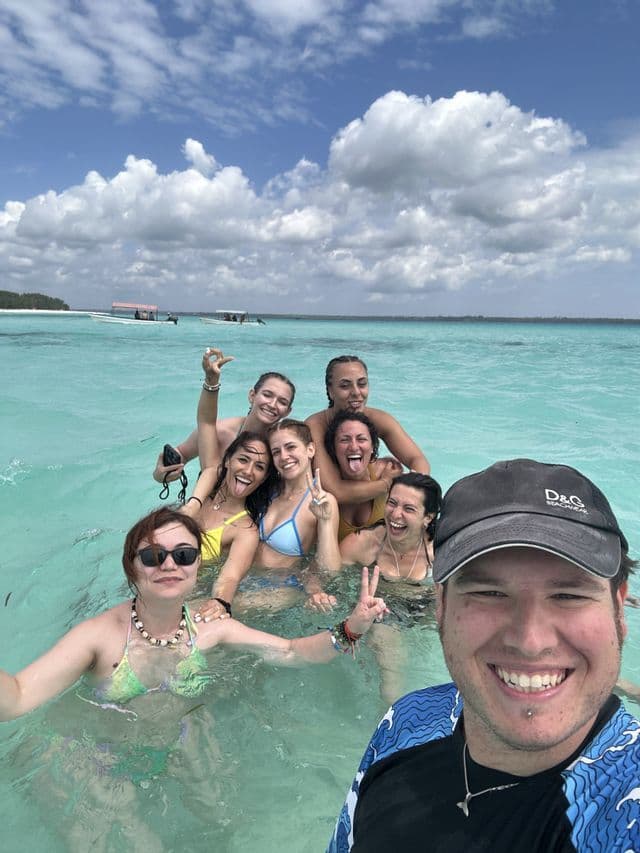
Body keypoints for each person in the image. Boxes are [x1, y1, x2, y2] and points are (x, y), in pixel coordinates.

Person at [329, 458, 640, 852]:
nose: (530, 640)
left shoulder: (625, 802)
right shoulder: (408, 721)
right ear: (441, 604)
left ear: (619, 608)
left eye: (569, 595)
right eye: (490, 593)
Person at [305, 355, 430, 512]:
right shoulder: (315, 426)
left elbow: (418, 460)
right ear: (331, 391)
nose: (356, 392)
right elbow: (336, 490)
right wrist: (388, 483)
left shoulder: (379, 419)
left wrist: (410, 489)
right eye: (345, 386)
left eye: (362, 384)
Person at [153, 369, 295, 485]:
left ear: (287, 411)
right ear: (252, 395)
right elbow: (182, 454)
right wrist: (161, 474)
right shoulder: (219, 431)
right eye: (267, 395)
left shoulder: (280, 446)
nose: (272, 404)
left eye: (282, 402)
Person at [324, 411, 396, 541]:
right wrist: (386, 483)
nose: (353, 446)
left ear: (373, 446)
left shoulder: (386, 470)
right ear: (333, 449)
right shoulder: (325, 487)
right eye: (345, 440)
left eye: (361, 439)